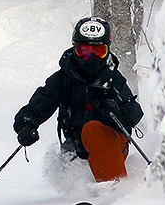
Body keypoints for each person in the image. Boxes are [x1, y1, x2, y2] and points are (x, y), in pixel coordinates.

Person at [13, 16, 144, 183]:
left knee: (92, 129)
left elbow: (134, 111)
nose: (90, 58)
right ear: (75, 49)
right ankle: (83, 190)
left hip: (110, 141)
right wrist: (26, 125)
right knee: (70, 157)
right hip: (77, 145)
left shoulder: (112, 79)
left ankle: (113, 187)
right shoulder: (63, 79)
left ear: (107, 51)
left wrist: (116, 111)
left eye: (98, 51)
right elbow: (38, 104)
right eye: (84, 51)